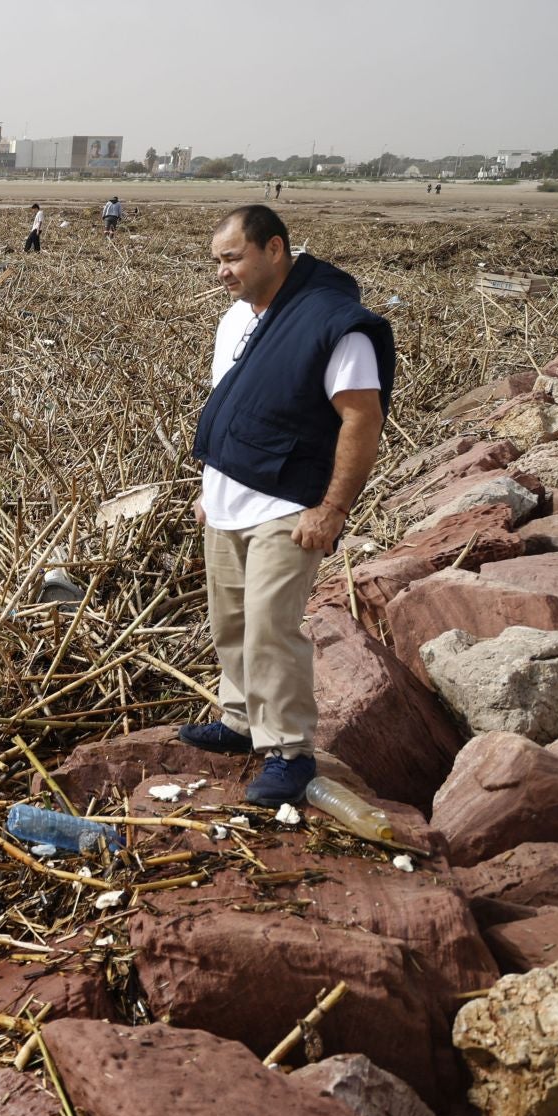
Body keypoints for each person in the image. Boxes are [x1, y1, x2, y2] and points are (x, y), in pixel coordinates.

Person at [182, 205, 395, 806]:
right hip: (226, 502)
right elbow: (232, 410)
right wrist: (207, 492)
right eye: (217, 260)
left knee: (271, 629)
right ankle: (239, 722)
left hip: (288, 506)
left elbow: (362, 418)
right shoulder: (235, 320)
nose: (222, 271)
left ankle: (291, 752)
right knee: (230, 624)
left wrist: (332, 509)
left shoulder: (334, 324)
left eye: (232, 258)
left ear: (275, 249)